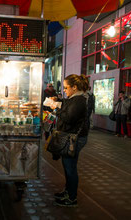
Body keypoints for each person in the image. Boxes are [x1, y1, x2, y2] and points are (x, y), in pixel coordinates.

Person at [52, 74, 89, 207]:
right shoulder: (74, 98)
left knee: (70, 168)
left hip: (74, 139)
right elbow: (67, 108)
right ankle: (67, 192)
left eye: (66, 87)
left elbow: (69, 118)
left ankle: (72, 197)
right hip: (70, 138)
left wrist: (56, 108)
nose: (65, 90)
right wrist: (57, 101)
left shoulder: (79, 100)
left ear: (74, 87)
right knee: (67, 166)